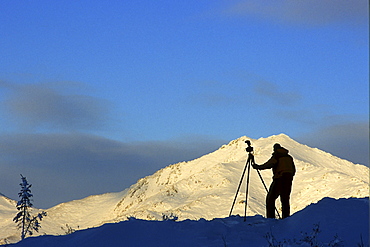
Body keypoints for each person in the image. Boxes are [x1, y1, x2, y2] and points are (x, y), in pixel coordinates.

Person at [252, 143, 296, 219]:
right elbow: (293, 170)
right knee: (285, 199)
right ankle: (286, 218)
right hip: (288, 180)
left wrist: (258, 167)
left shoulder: (277, 156)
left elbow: (269, 164)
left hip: (279, 179)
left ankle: (270, 218)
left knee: (270, 199)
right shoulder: (289, 157)